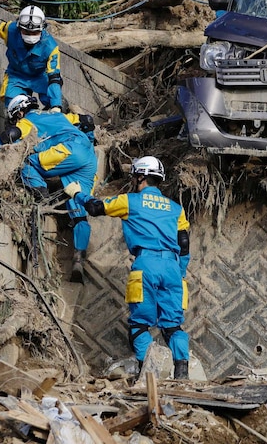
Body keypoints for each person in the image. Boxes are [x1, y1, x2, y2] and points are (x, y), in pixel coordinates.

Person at [63, 156, 192, 378]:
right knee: (172, 327)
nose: (133, 180)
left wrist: (76, 193)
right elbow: (184, 243)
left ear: (141, 175)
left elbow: (95, 207)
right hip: (172, 267)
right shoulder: (175, 208)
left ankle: (147, 375)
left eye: (135, 176)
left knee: (140, 325)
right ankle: (182, 375)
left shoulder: (129, 201)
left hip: (146, 265)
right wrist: (180, 273)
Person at [0, 94, 97, 282]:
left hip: (68, 150)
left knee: (26, 163)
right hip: (89, 156)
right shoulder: (57, 115)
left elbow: (11, 136)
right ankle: (78, 259)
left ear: (19, 112)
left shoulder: (27, 121)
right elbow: (87, 121)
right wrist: (91, 139)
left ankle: (42, 194)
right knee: (79, 207)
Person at [0, 5, 63, 112]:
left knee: (53, 103)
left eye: (34, 32)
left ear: (42, 29)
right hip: (16, 76)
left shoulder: (51, 47)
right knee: (14, 107)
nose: (30, 36)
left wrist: (56, 105)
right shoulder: (10, 30)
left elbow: (54, 77)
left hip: (41, 77)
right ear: (19, 28)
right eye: (26, 32)